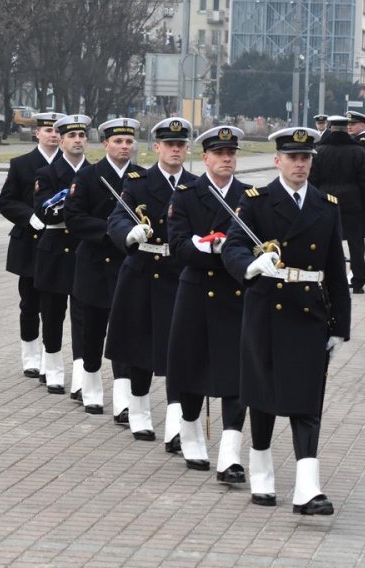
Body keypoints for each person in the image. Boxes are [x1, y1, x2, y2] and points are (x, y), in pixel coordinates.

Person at [221, 126, 351, 516]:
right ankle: (261, 474)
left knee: (307, 402)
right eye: (293, 157)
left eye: (306, 158)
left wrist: (339, 325)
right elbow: (233, 246)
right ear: (277, 160)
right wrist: (250, 265)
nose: (300, 164)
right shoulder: (257, 201)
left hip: (308, 313)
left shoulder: (326, 206)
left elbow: (334, 269)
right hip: (266, 310)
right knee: (263, 398)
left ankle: (307, 489)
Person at [166, 125, 250, 477]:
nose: (226, 159)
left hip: (235, 293)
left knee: (237, 373)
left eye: (231, 153)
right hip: (197, 290)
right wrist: (204, 246)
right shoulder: (186, 194)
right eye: (219, 153)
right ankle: (191, 436)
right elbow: (178, 245)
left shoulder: (250, 195)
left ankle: (230, 454)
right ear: (206, 158)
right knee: (191, 368)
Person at [106, 117, 196, 444]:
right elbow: (116, 217)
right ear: (157, 147)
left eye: (180, 144)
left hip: (181, 275)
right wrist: (128, 233)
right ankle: (140, 411)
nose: (175, 150)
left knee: (179, 351)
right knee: (141, 348)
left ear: (187, 148)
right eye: (169, 144)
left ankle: (175, 423)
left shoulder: (195, 186)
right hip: (144, 272)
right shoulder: (138, 182)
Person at [64, 118, 144, 426]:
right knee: (93, 330)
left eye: (128, 142)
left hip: (128, 265)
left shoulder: (142, 177)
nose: (124, 147)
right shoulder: (87, 177)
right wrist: (113, 232)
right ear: (105, 144)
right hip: (95, 264)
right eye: (118, 142)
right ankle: (92, 386)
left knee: (125, 333)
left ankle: (123, 400)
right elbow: (74, 218)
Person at [0, 112, 64, 378]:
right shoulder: (22, 164)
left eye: (57, 130)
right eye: (47, 130)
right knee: (30, 304)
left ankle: (51, 357)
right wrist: (29, 217)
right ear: (36, 133)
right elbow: (6, 201)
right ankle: (30, 355)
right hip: (30, 244)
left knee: (55, 307)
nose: (53, 134)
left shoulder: (70, 166)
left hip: (59, 245)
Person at [33, 114, 90, 394]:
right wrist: (76, 209)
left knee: (83, 319)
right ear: (62, 140)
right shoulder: (47, 173)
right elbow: (43, 211)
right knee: (52, 315)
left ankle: (81, 376)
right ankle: (53, 368)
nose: (77, 140)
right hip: (55, 250)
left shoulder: (95, 173)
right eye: (72, 136)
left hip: (84, 252)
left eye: (81, 136)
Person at [311, 115, 365, 294]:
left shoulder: (320, 150)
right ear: (346, 129)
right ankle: (358, 282)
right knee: (356, 244)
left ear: (330, 129)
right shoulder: (358, 151)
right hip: (352, 203)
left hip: (326, 201)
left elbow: (313, 180)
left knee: (325, 242)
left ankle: (325, 277)